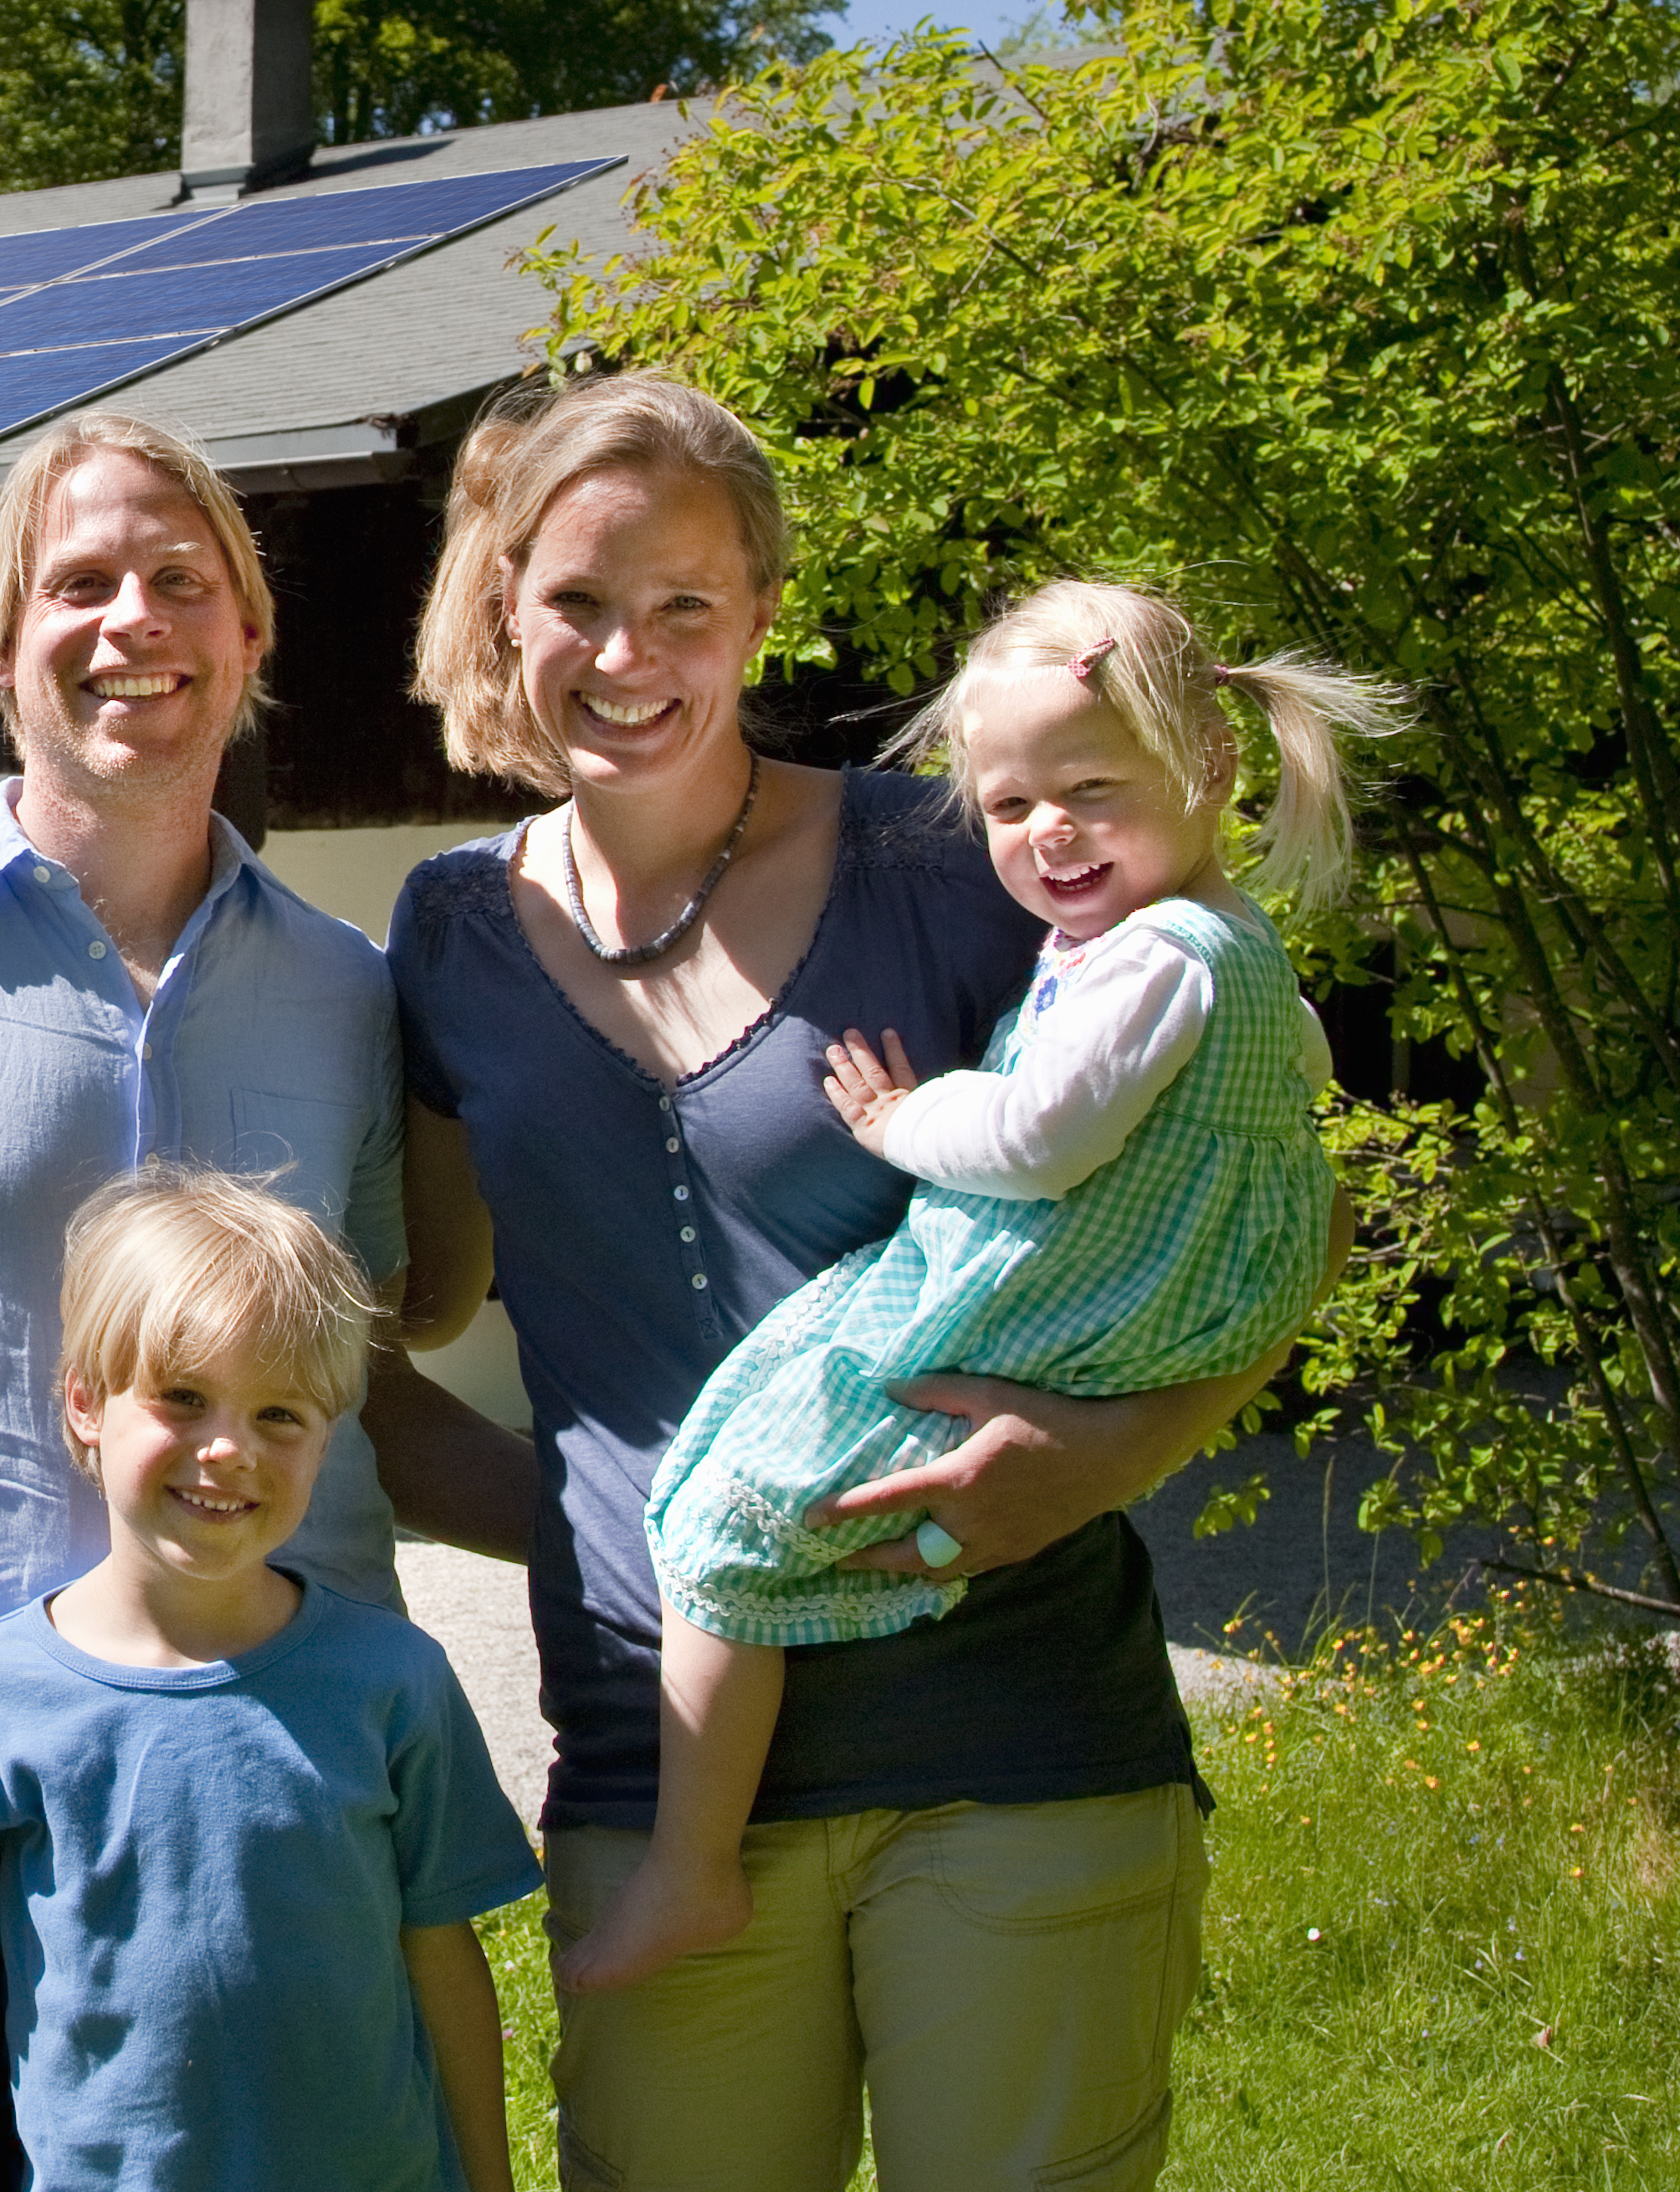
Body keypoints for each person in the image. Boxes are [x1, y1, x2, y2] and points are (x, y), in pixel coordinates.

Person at [382, 371, 1334, 2192]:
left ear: (757, 612)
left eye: (684, 602)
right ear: (505, 601)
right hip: (657, 1771)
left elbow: (1254, 1202)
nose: (624, 650)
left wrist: (1110, 1455)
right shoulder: (444, 931)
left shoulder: (952, 857)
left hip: (1017, 1730)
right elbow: (408, 1310)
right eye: (577, 598)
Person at [0, 411, 459, 2192]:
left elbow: (361, 1378)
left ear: (251, 642)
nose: (134, 618)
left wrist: (629, 1534)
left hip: (277, 1776)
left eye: (180, 580)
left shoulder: (349, 992)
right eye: (80, 581)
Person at [561, 578, 1404, 1991]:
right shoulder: (1227, 944)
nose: (1046, 831)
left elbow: (1035, 1136)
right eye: (1009, 806)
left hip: (1041, 1291)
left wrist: (899, 1124)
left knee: (717, 1521)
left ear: (1208, 766)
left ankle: (689, 1871)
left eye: (1089, 787)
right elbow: (1281, 1099)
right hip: (1147, 1291)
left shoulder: (1149, 961)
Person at [0, 1166, 537, 2192]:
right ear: (86, 1404)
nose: (227, 1448)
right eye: (182, 1397)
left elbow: (439, 1955)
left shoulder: (393, 1683)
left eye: (280, 1414)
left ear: (327, 1438)